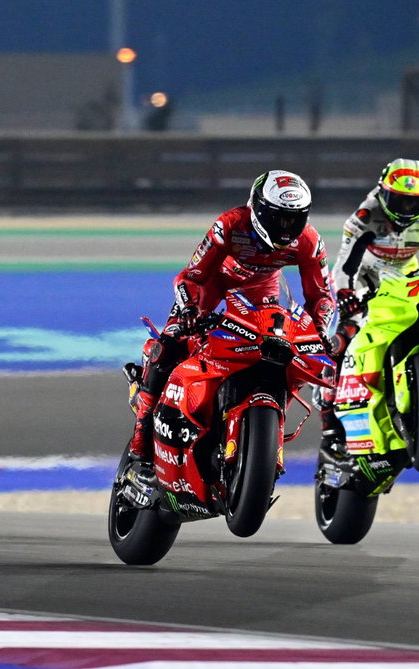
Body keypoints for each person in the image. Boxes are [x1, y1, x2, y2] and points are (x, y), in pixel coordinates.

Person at [124, 170, 335, 473]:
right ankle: (141, 442)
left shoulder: (309, 241)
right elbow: (191, 276)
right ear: (258, 209)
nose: (286, 227)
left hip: (261, 295)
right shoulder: (229, 225)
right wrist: (189, 311)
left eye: (294, 218)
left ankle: (259, 424)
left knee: (279, 352)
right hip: (211, 287)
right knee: (169, 345)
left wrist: (321, 331)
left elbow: (321, 297)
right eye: (278, 217)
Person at [319, 159, 419, 465]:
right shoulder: (366, 214)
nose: (407, 208)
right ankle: (329, 420)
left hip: (402, 277)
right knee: (342, 339)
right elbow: (345, 263)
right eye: (400, 199)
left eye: (415, 201)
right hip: (361, 277)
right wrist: (344, 295)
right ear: (383, 193)